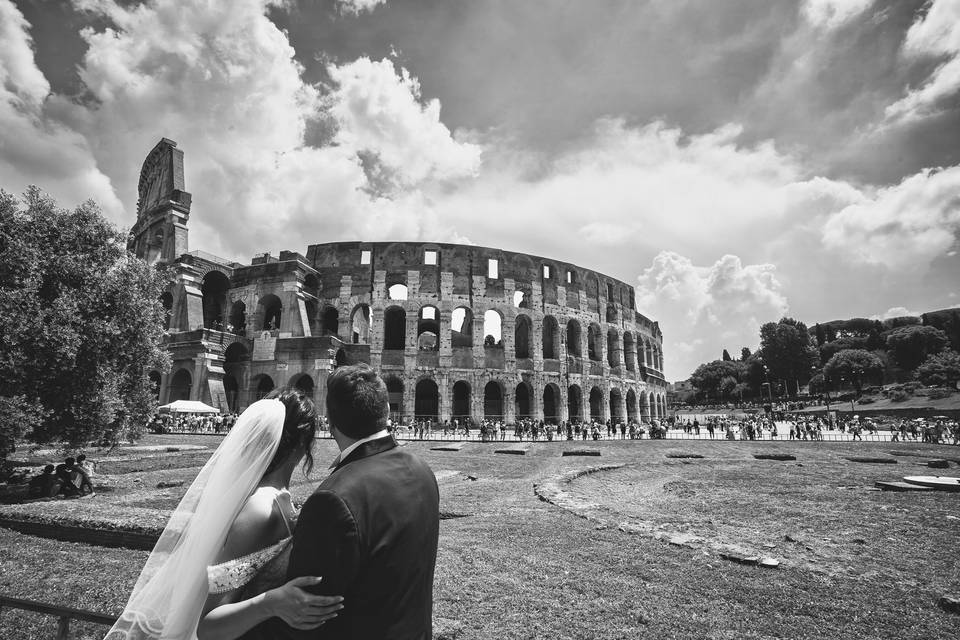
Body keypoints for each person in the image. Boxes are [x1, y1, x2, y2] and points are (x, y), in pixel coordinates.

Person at [105, 392, 343, 640]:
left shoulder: (276, 497)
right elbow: (210, 626)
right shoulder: (261, 508)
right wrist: (271, 603)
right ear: (301, 444)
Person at [270, 363, 440, 640]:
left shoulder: (332, 500)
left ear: (330, 420)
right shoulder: (422, 470)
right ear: (386, 412)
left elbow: (306, 615)